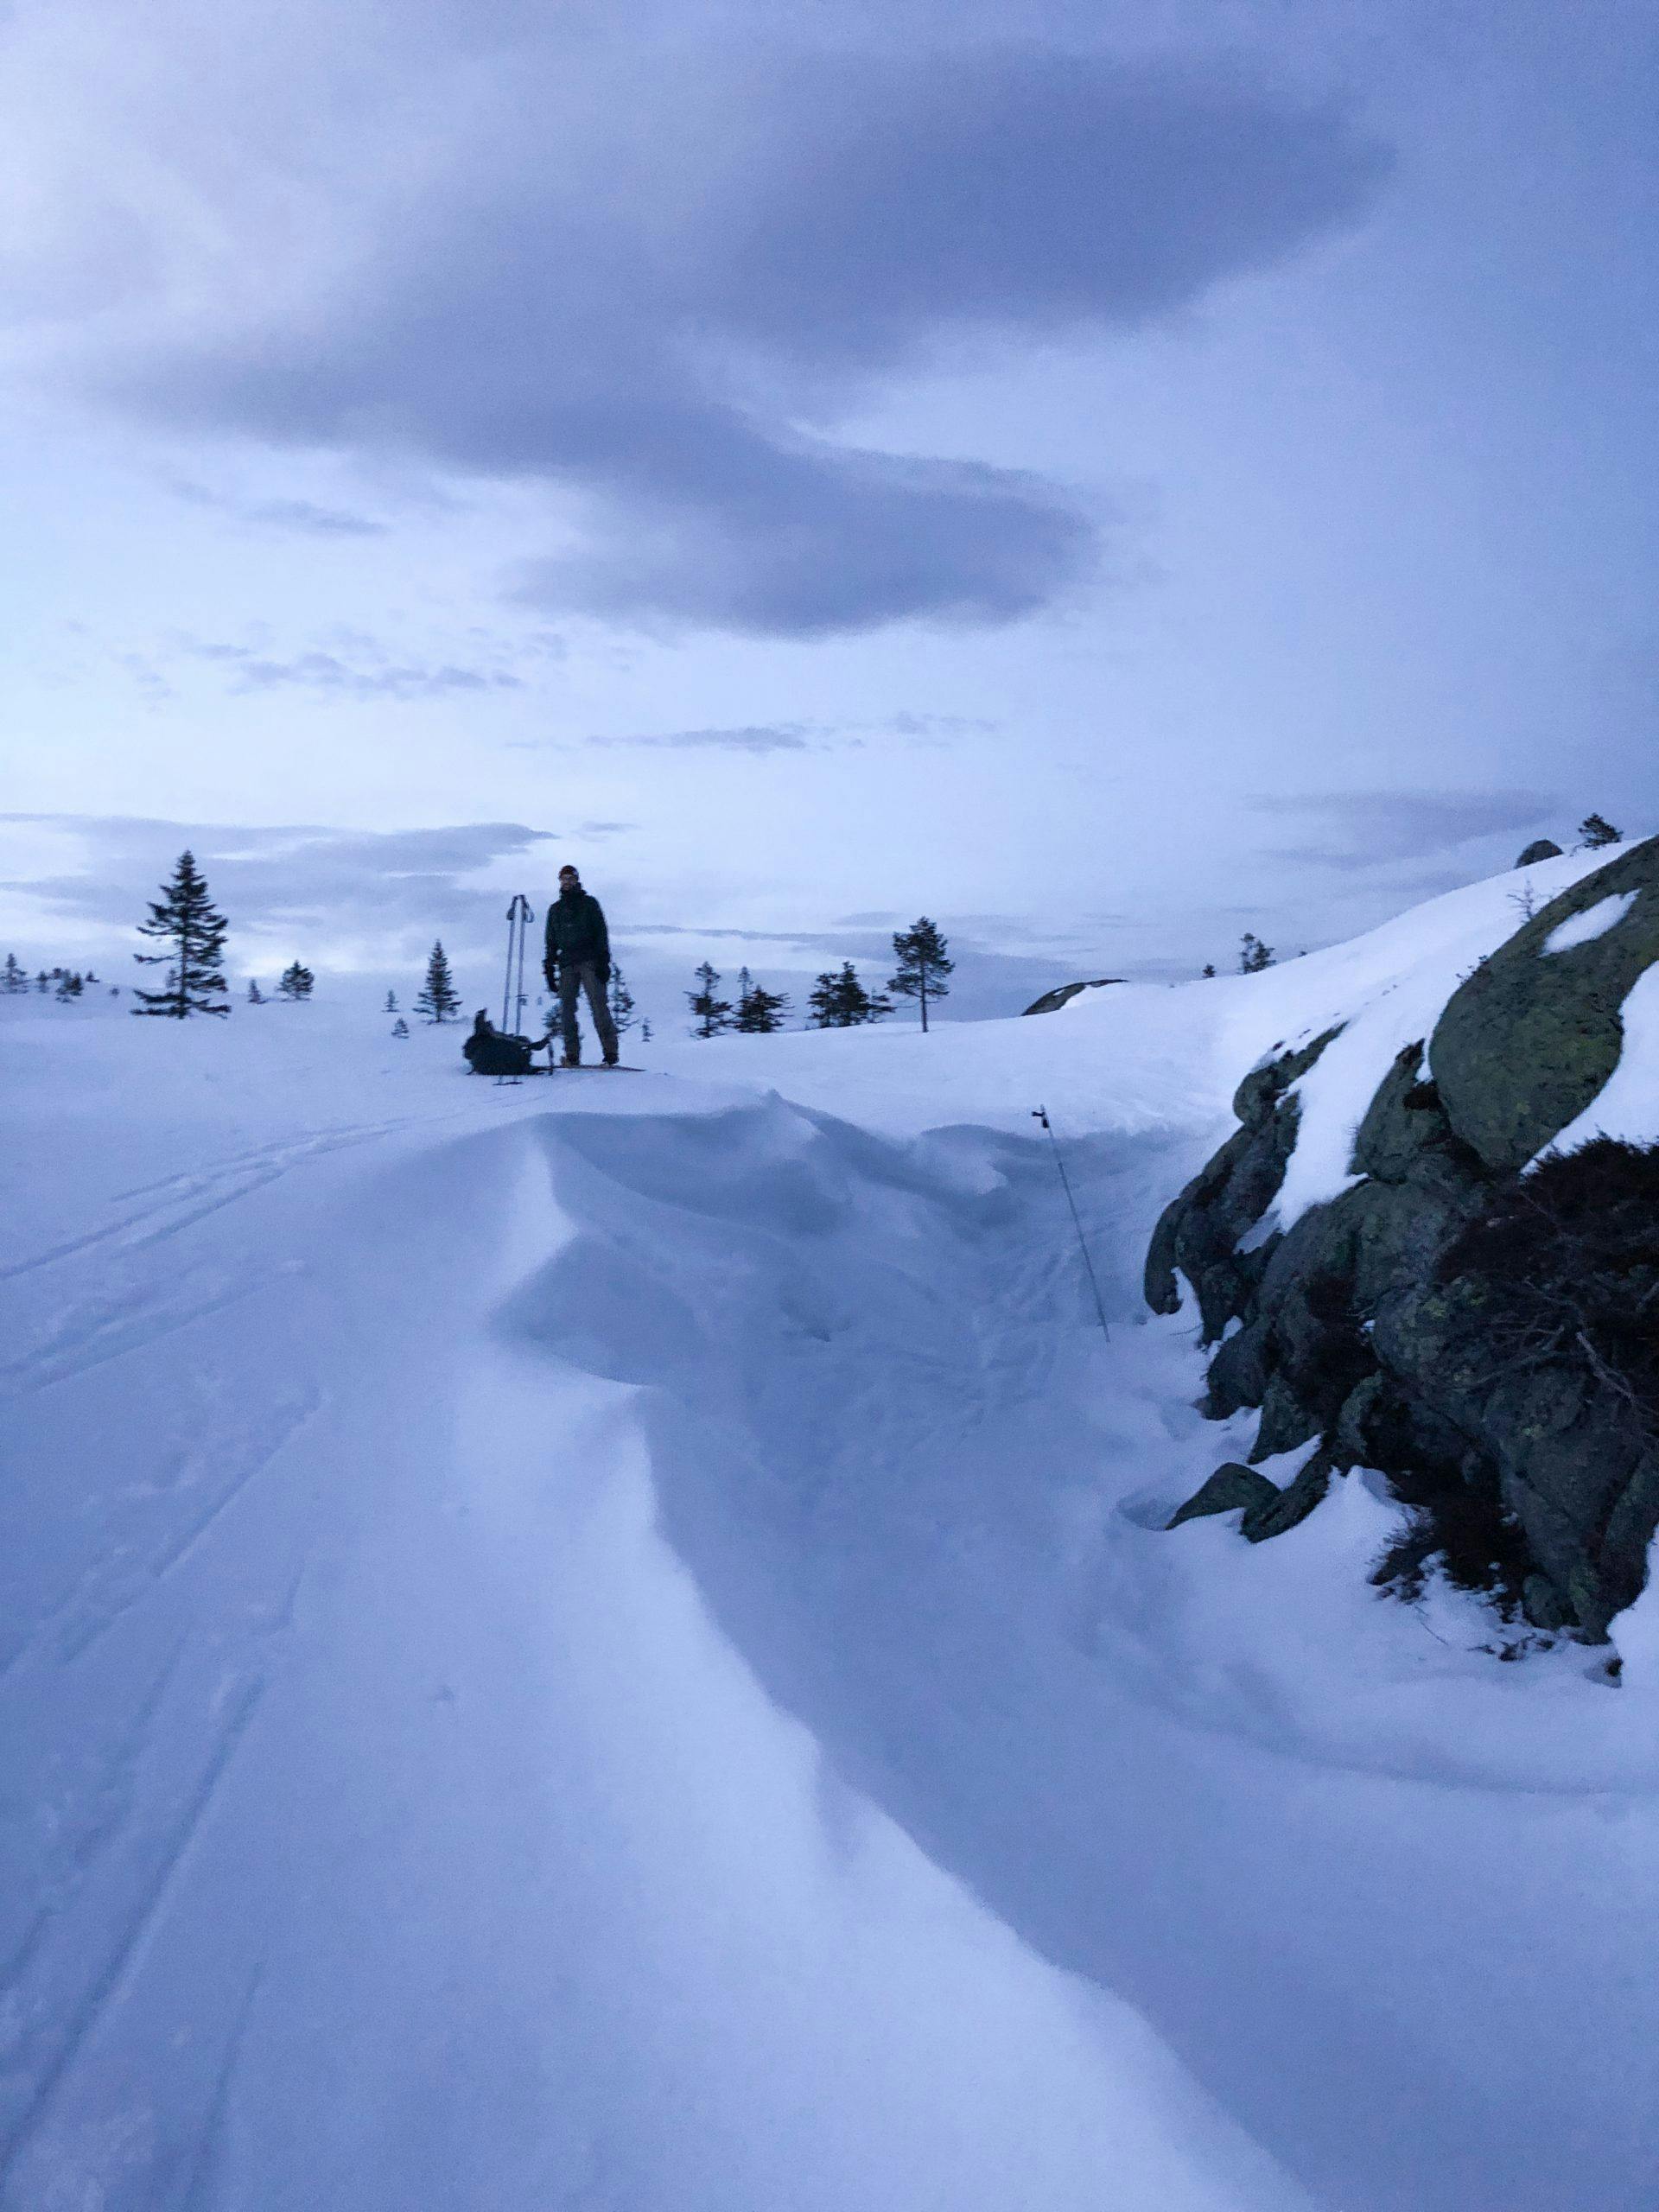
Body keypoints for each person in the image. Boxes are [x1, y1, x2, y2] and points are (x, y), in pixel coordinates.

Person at [543, 864, 619, 1067]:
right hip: (567, 963)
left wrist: (603, 962)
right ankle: (572, 1055)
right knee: (566, 1010)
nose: (566, 882)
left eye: (570, 879)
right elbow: (550, 941)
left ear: (576, 880)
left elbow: (601, 933)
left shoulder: (589, 904)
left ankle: (610, 1054)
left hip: (590, 961)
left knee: (598, 1006)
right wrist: (549, 968)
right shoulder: (556, 910)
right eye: (563, 879)